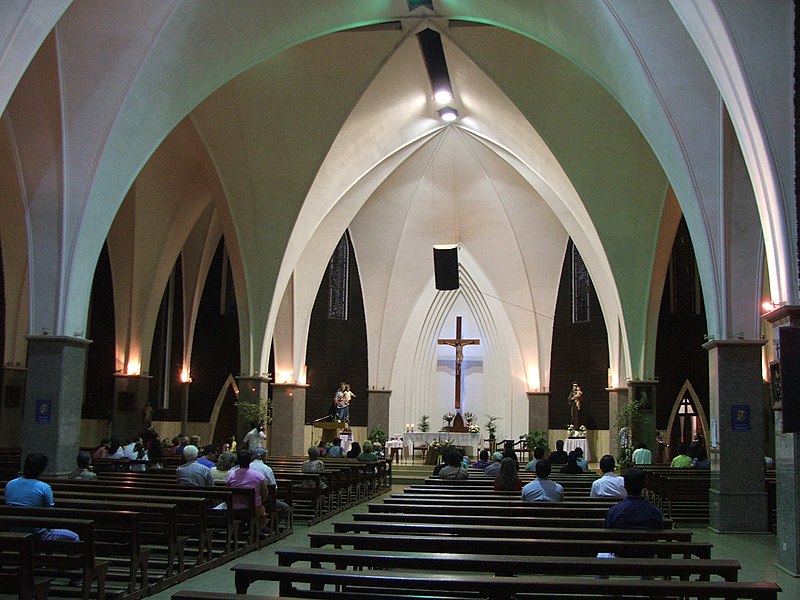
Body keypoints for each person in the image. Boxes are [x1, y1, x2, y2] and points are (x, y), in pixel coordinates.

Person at [5, 453, 80, 541]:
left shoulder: (10, 484)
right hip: (38, 534)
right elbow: (49, 512)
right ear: (41, 469)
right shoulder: (44, 487)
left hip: (15, 530)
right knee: (75, 537)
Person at [226, 449, 270, 533]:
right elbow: (265, 493)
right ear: (250, 460)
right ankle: (259, 529)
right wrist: (260, 501)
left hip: (233, 507)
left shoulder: (231, 475)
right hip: (253, 508)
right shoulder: (258, 475)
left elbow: (227, 491)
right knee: (261, 509)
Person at [249, 447, 291, 524]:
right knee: (285, 508)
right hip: (265, 501)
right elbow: (274, 488)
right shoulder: (267, 469)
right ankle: (271, 526)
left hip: (246, 500)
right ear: (264, 457)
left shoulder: (248, 466)